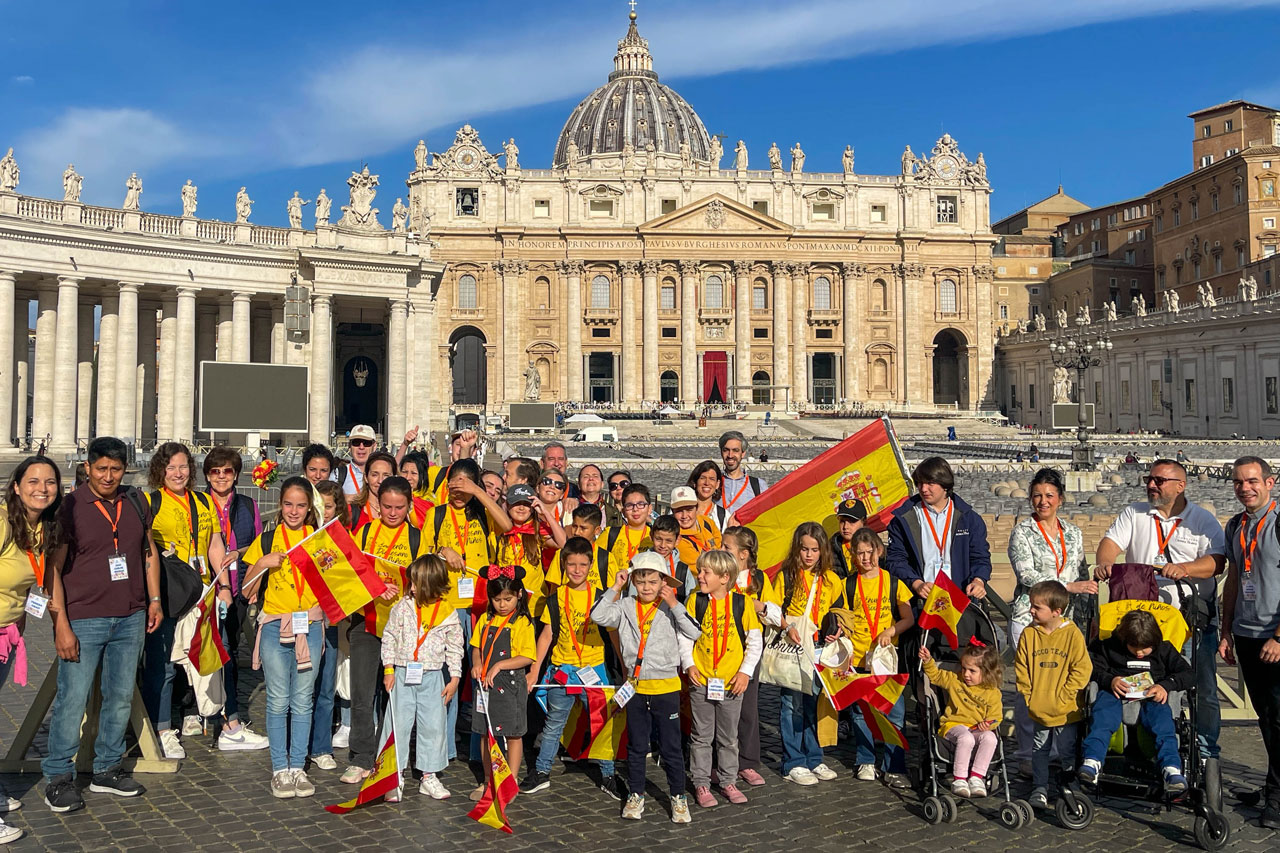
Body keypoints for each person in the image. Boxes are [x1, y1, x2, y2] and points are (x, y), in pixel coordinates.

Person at [44, 437, 161, 814]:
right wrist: (60, 622)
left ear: (125, 469)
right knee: (72, 699)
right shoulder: (69, 507)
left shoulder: (136, 502)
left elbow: (148, 553)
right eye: (101, 469)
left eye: (115, 469)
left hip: (130, 614)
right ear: (88, 468)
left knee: (120, 696)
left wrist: (154, 599)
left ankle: (107, 768)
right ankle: (58, 776)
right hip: (83, 616)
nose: (108, 476)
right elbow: (53, 569)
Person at [1095, 458, 1226, 761]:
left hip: (1189, 618)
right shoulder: (1135, 513)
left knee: (1201, 686)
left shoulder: (1202, 519)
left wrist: (1184, 568)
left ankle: (1206, 752)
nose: (1151, 485)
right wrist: (1105, 562)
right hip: (1144, 625)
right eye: (1149, 479)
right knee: (1142, 683)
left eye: (1159, 480)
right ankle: (1143, 746)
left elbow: (1217, 561)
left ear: (1181, 486)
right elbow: (1110, 543)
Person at [591, 551, 701, 824]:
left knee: (671, 747)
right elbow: (598, 615)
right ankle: (636, 794)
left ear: (664, 581)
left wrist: (674, 603)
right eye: (641, 582)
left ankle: (678, 797)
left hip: (666, 687)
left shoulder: (671, 604)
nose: (647, 588)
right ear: (633, 582)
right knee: (637, 746)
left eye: (653, 582)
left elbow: (695, 632)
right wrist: (616, 586)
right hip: (636, 687)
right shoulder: (626, 605)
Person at [141, 441, 227, 758]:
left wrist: (225, 588)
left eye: (183, 467)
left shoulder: (203, 502)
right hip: (168, 594)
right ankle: (161, 728)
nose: (178, 473)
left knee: (205, 657)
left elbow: (215, 545)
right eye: (171, 468)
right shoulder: (151, 502)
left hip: (202, 590)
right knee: (162, 664)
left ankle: (203, 716)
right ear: (160, 471)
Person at [421, 458, 511, 760]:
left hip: (481, 606)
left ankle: (479, 749)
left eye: (465, 484)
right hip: (447, 607)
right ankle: (442, 749)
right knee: (448, 678)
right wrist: (441, 551)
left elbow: (508, 525)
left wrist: (479, 492)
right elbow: (422, 562)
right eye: (454, 483)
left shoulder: (483, 514)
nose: (457, 490)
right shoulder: (436, 515)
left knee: (480, 676)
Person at [1007, 467, 1093, 774]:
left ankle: (1059, 750)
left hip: (1066, 620)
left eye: (1049, 496)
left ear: (1060, 499)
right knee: (1029, 686)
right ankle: (1028, 753)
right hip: (1029, 617)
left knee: (1061, 684)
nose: (1043, 502)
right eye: (1037, 496)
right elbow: (1027, 575)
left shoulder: (1073, 532)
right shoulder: (1022, 531)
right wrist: (1067, 587)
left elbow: (1081, 571)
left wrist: (1083, 601)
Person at [241, 478, 323, 799]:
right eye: (288, 504)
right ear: (280, 504)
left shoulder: (317, 540)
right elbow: (246, 590)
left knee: (303, 700)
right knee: (277, 699)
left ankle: (298, 767)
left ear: (309, 508)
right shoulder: (267, 539)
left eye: (301, 505)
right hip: (275, 626)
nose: (294, 511)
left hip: (310, 627)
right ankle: (279, 769)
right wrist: (262, 563)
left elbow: (337, 584)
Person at [524, 536, 619, 798]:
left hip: (594, 668)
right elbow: (546, 635)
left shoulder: (601, 597)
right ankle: (542, 772)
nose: (577, 570)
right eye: (572, 564)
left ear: (591, 565)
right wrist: (534, 669)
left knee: (602, 724)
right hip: (563, 669)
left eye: (583, 564)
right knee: (554, 724)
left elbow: (613, 634)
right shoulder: (555, 598)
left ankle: (608, 774)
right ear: (563, 565)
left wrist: (623, 665)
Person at [345, 476, 421, 785]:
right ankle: (362, 756)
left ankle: (393, 754)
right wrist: (376, 587)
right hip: (366, 621)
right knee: (362, 692)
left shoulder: (417, 537)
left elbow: (425, 580)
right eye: (386, 507)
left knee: (396, 695)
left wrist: (407, 589)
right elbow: (349, 573)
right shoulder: (363, 532)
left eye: (399, 508)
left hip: (402, 626)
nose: (392, 513)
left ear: (409, 506)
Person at [0, 456, 62, 835]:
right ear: (17, 485)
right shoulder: (3, 522)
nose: (42, 488)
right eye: (34, 481)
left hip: (7, 633)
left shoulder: (42, 529)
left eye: (50, 482)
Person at [1219, 456, 1280, 827]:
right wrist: (1226, 630)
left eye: (1253, 481)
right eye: (1240, 482)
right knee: (1268, 718)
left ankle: (1276, 797)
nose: (1246, 488)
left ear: (1270, 483)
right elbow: (1233, 583)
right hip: (1246, 633)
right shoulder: (1236, 525)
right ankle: (1275, 784)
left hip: (1274, 636)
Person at [681, 549, 763, 808]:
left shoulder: (742, 603)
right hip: (702, 679)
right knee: (701, 735)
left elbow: (754, 642)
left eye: (705, 572)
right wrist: (689, 664)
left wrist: (744, 673)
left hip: (730, 682)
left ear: (724, 577)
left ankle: (728, 780)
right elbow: (684, 636)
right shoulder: (696, 601)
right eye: (700, 570)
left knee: (728, 736)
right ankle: (701, 782)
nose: (700, 576)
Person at [1079, 609, 1191, 794]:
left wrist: (1165, 685)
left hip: (1152, 695)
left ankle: (1171, 768)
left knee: (1164, 723)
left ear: (1154, 641)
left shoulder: (1164, 649)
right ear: (1124, 640)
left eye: (1145, 648)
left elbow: (1187, 674)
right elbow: (1089, 667)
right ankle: (1092, 761)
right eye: (1134, 647)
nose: (1139, 652)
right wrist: (1110, 680)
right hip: (1114, 692)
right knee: (1102, 718)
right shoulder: (1108, 647)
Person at [380, 553, 463, 801]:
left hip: (433, 675)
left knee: (433, 726)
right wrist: (388, 668)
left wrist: (455, 678)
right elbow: (390, 638)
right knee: (397, 724)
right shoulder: (402, 608)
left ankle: (429, 775)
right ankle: (393, 775)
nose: (411, 587)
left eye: (416, 583)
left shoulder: (447, 612)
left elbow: (455, 647)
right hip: (403, 674)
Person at [201, 447, 268, 752]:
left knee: (228, 648)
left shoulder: (249, 506)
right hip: (206, 587)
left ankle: (224, 712)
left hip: (238, 587)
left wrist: (246, 570)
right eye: (215, 472)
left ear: (236, 474)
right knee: (206, 650)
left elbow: (257, 547)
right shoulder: (198, 504)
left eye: (227, 471)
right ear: (207, 475)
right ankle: (216, 715)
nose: (221, 477)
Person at [835, 529, 913, 787]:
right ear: (853, 556)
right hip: (858, 658)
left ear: (880, 551)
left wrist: (891, 630)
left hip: (886, 659)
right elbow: (842, 617)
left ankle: (894, 766)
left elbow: (908, 618)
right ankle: (866, 760)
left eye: (871, 552)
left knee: (895, 714)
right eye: (861, 553)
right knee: (860, 713)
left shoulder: (893, 583)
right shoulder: (848, 583)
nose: (866, 557)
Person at [773, 521, 845, 786]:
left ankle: (814, 757)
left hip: (818, 650)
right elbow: (773, 609)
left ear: (822, 550)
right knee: (792, 704)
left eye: (814, 550)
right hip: (793, 647)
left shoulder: (831, 579)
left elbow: (837, 612)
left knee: (815, 704)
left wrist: (837, 629)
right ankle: (792, 762)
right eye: (804, 549)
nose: (809, 555)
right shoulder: (787, 576)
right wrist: (786, 626)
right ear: (797, 549)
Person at [1015, 580, 1092, 810]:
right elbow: (1021, 669)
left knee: (1068, 750)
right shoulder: (1029, 634)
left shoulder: (1072, 634)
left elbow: (1082, 669)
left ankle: (1070, 787)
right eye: (1031, 605)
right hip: (1039, 708)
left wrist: (1065, 697)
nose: (1031, 610)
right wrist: (1029, 697)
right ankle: (1040, 787)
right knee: (1039, 749)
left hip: (1066, 710)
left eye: (1037, 607)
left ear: (1056, 611)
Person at [469, 568, 536, 802]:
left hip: (510, 685)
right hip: (485, 686)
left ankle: (511, 780)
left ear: (519, 595)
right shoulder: (486, 619)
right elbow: (476, 647)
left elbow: (527, 656)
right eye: (497, 600)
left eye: (507, 599)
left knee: (514, 733)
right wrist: (477, 663)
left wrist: (500, 665)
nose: (502, 604)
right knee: (485, 733)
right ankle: (489, 779)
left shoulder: (523, 623)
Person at [886, 456, 991, 602]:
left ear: (945, 485)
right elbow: (896, 560)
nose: (923, 489)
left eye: (930, 483)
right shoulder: (903, 519)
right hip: (920, 602)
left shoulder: (969, 519)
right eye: (920, 483)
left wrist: (978, 581)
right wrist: (916, 583)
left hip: (960, 600)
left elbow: (980, 557)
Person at [720, 527, 775, 787]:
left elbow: (776, 613)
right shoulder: (718, 573)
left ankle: (748, 762)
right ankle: (716, 762)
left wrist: (759, 606)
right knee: (718, 708)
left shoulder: (760, 579)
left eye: (727, 547)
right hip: (720, 649)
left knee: (748, 710)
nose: (722, 550)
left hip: (749, 650)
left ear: (743, 554)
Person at [918, 642, 1004, 798]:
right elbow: (936, 676)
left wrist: (988, 723)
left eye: (972, 671)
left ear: (987, 673)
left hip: (976, 727)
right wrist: (928, 661)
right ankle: (959, 779)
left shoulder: (992, 692)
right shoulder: (955, 680)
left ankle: (977, 777)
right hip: (953, 725)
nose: (966, 674)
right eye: (964, 669)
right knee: (966, 738)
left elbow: (996, 717)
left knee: (991, 738)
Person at [310, 481, 350, 765]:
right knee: (300, 691)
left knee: (325, 688)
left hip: (333, 621)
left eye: (328, 506)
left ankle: (321, 746)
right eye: (318, 506)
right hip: (305, 621)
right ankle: (298, 742)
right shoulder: (304, 537)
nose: (323, 511)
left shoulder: (343, 538)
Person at [670, 487, 721, 570]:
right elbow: (699, 568)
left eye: (689, 510)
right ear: (673, 511)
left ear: (697, 508)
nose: (684, 516)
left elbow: (721, 546)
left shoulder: (707, 522)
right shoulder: (676, 538)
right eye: (679, 511)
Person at [718, 432, 766, 517]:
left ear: (743, 453)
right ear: (721, 452)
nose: (730, 455)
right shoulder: (712, 483)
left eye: (735, 450)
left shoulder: (759, 486)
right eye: (726, 450)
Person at [347, 452, 397, 529]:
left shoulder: (401, 513)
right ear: (366, 477)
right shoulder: (352, 512)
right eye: (375, 475)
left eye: (386, 475)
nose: (380, 480)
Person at [649, 515, 693, 598]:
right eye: (658, 539)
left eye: (668, 541)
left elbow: (690, 601)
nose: (663, 545)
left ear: (677, 540)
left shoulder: (683, 570)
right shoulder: (641, 564)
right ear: (651, 536)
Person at [829, 499, 869, 579]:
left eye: (852, 521)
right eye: (842, 521)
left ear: (864, 522)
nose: (845, 527)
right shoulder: (830, 549)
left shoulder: (874, 544)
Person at [687, 461, 731, 531]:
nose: (707, 483)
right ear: (695, 482)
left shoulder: (724, 516)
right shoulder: (680, 510)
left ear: (717, 484)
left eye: (712, 479)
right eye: (702, 478)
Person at [337, 425, 378, 498]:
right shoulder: (337, 474)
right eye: (356, 442)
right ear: (349, 446)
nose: (361, 447)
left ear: (374, 446)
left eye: (366, 443)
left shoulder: (383, 474)